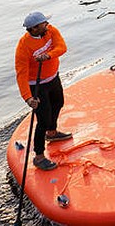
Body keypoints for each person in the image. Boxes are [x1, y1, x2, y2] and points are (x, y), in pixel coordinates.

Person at [15, 12, 72, 172]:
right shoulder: (23, 47)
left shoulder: (51, 31)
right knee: (43, 119)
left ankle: (52, 133)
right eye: (43, 24)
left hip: (53, 77)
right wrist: (28, 98)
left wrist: (48, 56)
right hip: (36, 85)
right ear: (33, 29)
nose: (47, 24)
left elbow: (62, 47)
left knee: (59, 103)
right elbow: (21, 74)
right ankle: (39, 157)